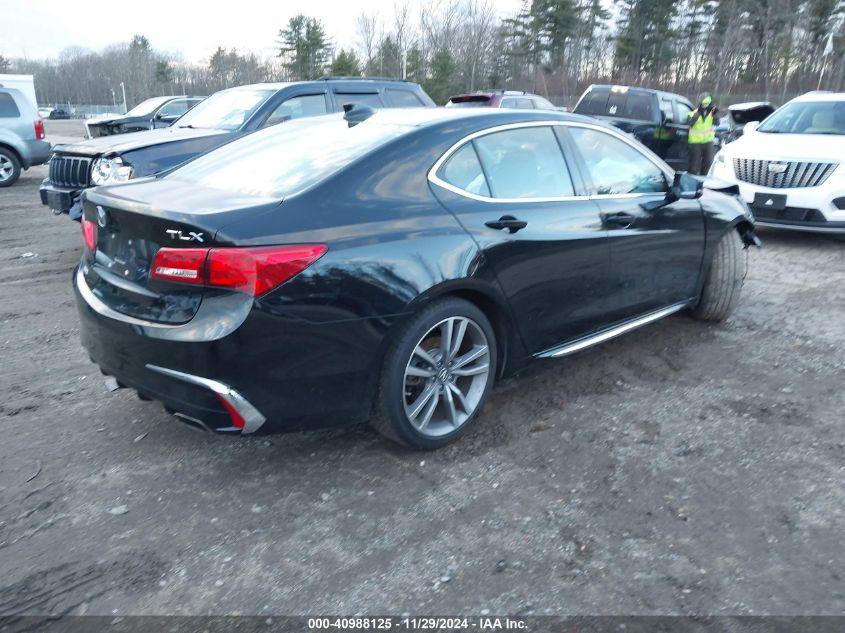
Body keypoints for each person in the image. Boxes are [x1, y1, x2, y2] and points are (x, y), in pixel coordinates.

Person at [687, 93, 718, 175]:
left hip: (708, 141)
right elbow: (688, 123)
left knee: (708, 162)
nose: (705, 106)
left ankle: (703, 180)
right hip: (695, 142)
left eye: (707, 104)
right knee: (694, 165)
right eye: (704, 104)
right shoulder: (693, 113)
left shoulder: (711, 114)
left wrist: (715, 115)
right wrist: (695, 117)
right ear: (700, 104)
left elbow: (717, 122)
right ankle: (691, 182)